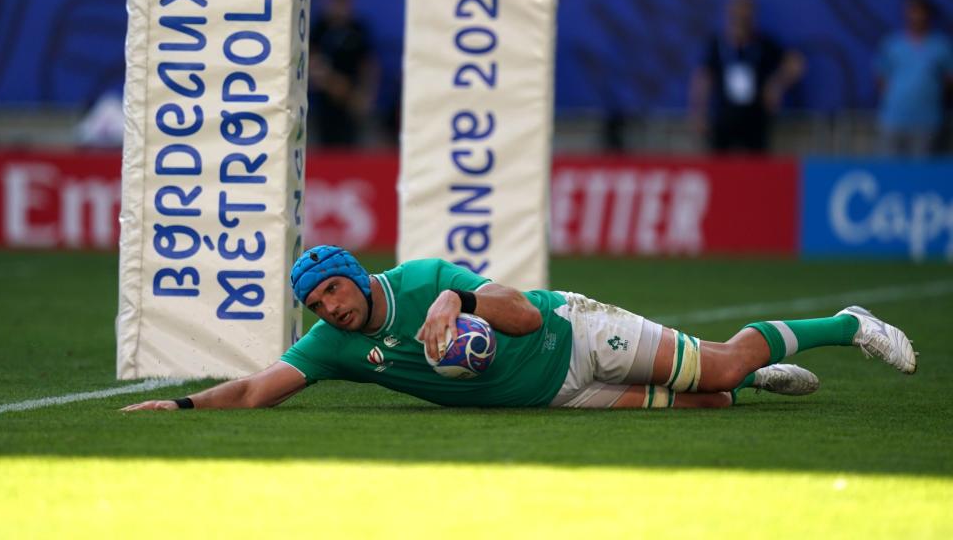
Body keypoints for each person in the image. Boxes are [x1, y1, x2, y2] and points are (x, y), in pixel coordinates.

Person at [123, 245, 916, 412]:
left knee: (718, 369)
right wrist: (186, 408)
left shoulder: (426, 279)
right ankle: (753, 379)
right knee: (712, 406)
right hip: (551, 399)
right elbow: (261, 390)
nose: (328, 309)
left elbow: (523, 310)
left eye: (332, 291)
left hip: (572, 336)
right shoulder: (332, 345)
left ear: (359, 275)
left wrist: (454, 306)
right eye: (317, 304)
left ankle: (846, 323)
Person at [690, 0, 805, 154]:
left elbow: (796, 63)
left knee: (757, 167)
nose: (741, 19)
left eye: (746, 14)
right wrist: (699, 112)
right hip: (725, 115)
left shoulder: (764, 44)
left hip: (755, 115)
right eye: (737, 14)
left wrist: (776, 84)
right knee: (719, 166)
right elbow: (703, 77)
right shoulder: (717, 44)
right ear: (730, 14)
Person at [875, 0, 953, 157]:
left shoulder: (941, 46)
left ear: (928, 14)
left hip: (927, 120)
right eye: (912, 11)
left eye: (920, 11)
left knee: (921, 176)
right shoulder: (893, 44)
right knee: (890, 173)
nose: (916, 16)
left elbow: (948, 80)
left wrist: (930, 96)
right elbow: (881, 78)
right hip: (894, 119)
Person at [307, 0, 379, 147]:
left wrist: (365, 94)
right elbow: (312, 63)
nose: (340, 7)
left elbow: (369, 64)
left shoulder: (358, 29)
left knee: (354, 145)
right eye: (336, 2)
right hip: (323, 102)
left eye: (344, 2)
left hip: (353, 103)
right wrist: (338, 87)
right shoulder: (319, 29)